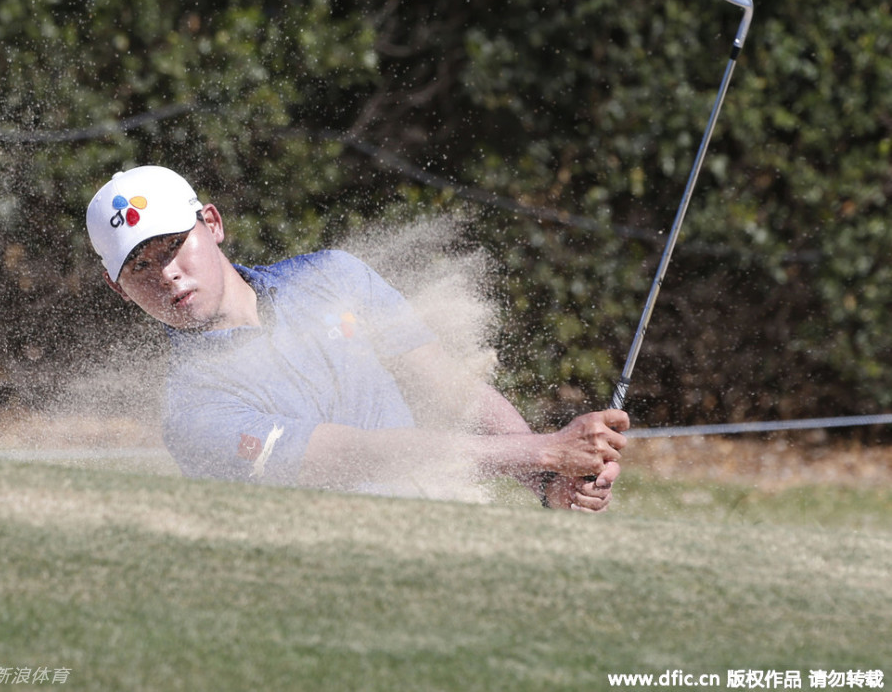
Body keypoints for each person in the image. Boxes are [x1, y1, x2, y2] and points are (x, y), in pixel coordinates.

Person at [86, 166, 629, 509]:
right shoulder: (194, 411)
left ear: (212, 223)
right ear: (119, 289)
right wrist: (544, 451)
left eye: (174, 245)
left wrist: (544, 480)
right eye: (140, 267)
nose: (167, 275)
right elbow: (361, 454)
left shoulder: (334, 276)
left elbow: (450, 388)